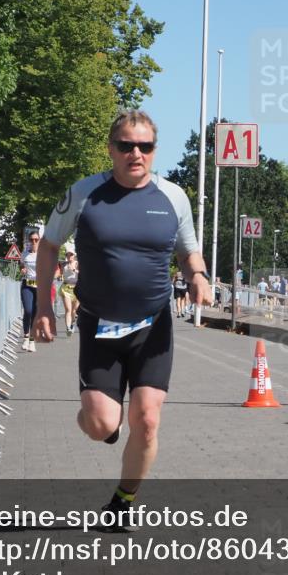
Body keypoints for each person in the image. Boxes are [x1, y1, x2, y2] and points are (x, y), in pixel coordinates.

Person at [31, 110, 210, 529]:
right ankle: (102, 423)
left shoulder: (173, 197)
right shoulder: (84, 193)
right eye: (126, 145)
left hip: (152, 325)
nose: (135, 153)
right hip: (99, 324)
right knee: (100, 425)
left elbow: (188, 250)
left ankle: (123, 501)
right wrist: (43, 307)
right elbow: (49, 246)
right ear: (111, 149)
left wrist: (197, 275)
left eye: (144, 146)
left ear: (154, 151)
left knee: (146, 419)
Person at [19, 231, 41, 352]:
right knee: (28, 310)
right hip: (27, 284)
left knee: (35, 313)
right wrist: (22, 269)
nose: (34, 242)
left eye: (36, 239)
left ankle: (32, 341)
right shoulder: (24, 254)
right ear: (28, 241)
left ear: (39, 240)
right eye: (31, 239)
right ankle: (26, 337)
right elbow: (21, 265)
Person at [60, 248, 80, 336]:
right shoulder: (64, 264)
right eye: (67, 255)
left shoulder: (78, 264)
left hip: (77, 289)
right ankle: (68, 328)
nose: (69, 256)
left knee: (74, 310)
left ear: (74, 255)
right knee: (68, 309)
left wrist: (75, 270)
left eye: (71, 255)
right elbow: (58, 272)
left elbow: (84, 273)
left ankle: (72, 324)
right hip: (66, 288)